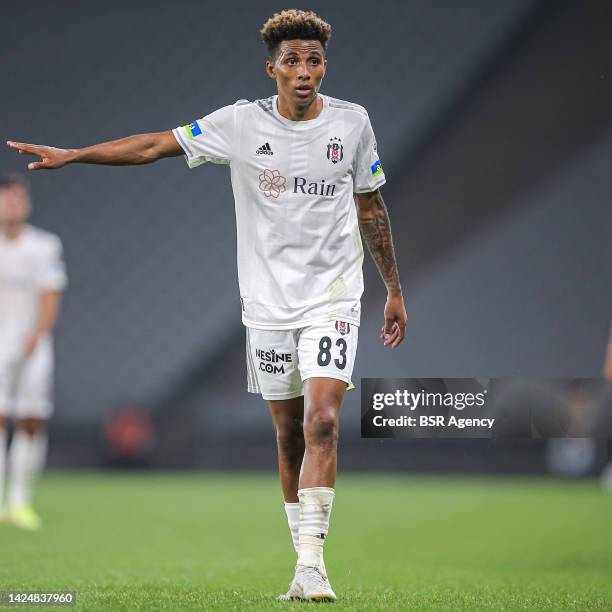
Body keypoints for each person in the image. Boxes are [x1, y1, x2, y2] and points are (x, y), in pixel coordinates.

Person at [7, 9, 407, 601]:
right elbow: (153, 145)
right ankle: (302, 556)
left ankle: (311, 564)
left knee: (324, 420)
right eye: (292, 61)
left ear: (324, 67)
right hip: (267, 306)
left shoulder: (353, 125)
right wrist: (75, 154)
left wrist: (394, 287)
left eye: (314, 60)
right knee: (290, 435)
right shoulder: (241, 124)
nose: (304, 72)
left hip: (334, 296)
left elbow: (371, 207)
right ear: (272, 68)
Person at [0, 174, 67, 530]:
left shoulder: (44, 246)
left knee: (30, 420)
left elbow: (50, 295)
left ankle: (19, 501)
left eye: (17, 198)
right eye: (6, 198)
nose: (12, 205)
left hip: (32, 345)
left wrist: (36, 334)